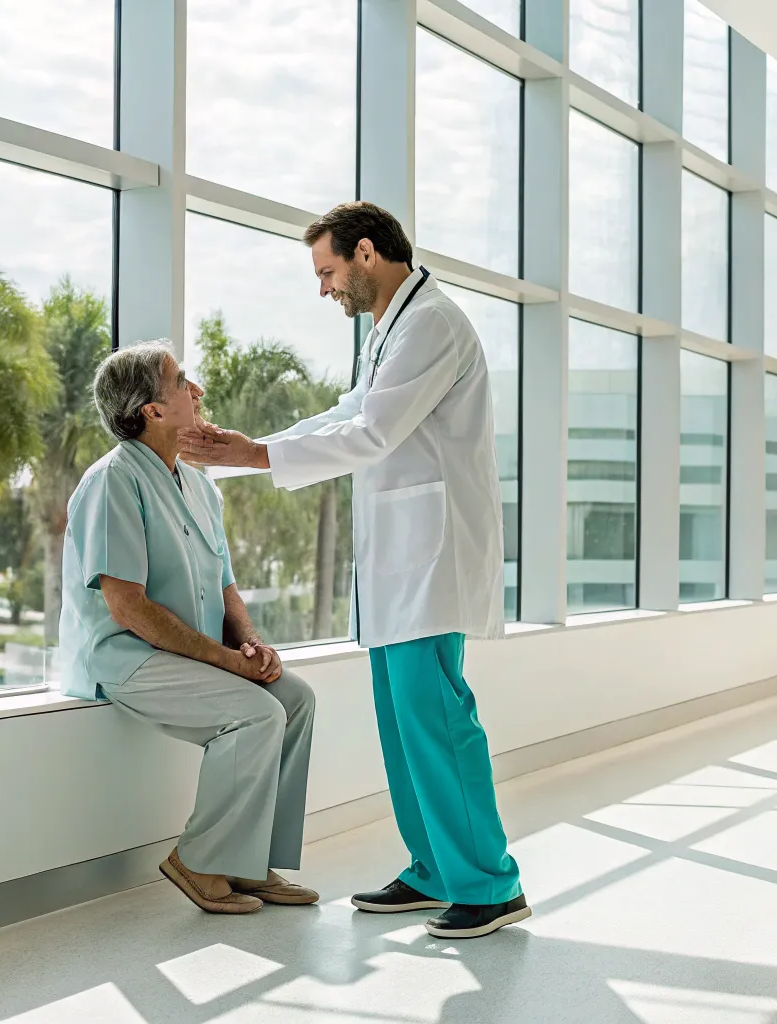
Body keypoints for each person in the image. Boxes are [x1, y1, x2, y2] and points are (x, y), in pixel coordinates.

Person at [177, 202, 525, 940]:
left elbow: (372, 432)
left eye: (328, 271)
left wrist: (256, 455)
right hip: (403, 563)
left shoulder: (430, 322)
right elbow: (353, 410)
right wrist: (254, 449)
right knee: (403, 727)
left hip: (431, 559)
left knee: (435, 722)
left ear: (366, 254)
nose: (325, 288)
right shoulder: (392, 327)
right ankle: (435, 868)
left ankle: (490, 883)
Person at [60, 341, 319, 916]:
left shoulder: (201, 485)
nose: (196, 390)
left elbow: (225, 582)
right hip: (128, 657)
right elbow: (129, 609)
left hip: (192, 652)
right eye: (181, 383)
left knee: (293, 697)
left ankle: (248, 863)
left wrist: (249, 643)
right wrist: (227, 663)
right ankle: (199, 860)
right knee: (256, 712)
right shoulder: (112, 481)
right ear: (151, 410)